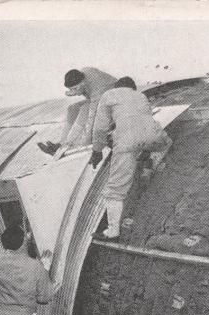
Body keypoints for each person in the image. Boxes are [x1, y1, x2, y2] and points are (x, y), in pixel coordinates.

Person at [89, 76, 171, 239]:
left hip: (127, 142)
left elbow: (100, 129)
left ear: (117, 87)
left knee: (115, 190)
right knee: (166, 143)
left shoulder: (108, 95)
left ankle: (112, 231)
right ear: (132, 88)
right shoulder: (140, 96)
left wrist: (97, 151)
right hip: (154, 137)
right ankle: (148, 160)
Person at [37, 67, 117, 156]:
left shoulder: (96, 89)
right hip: (104, 100)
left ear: (83, 82)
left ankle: (68, 144)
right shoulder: (82, 75)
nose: (75, 92)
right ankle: (62, 144)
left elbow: (92, 118)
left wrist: (86, 141)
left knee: (85, 109)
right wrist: (74, 91)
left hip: (116, 106)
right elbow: (83, 91)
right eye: (72, 89)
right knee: (72, 108)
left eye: (75, 88)